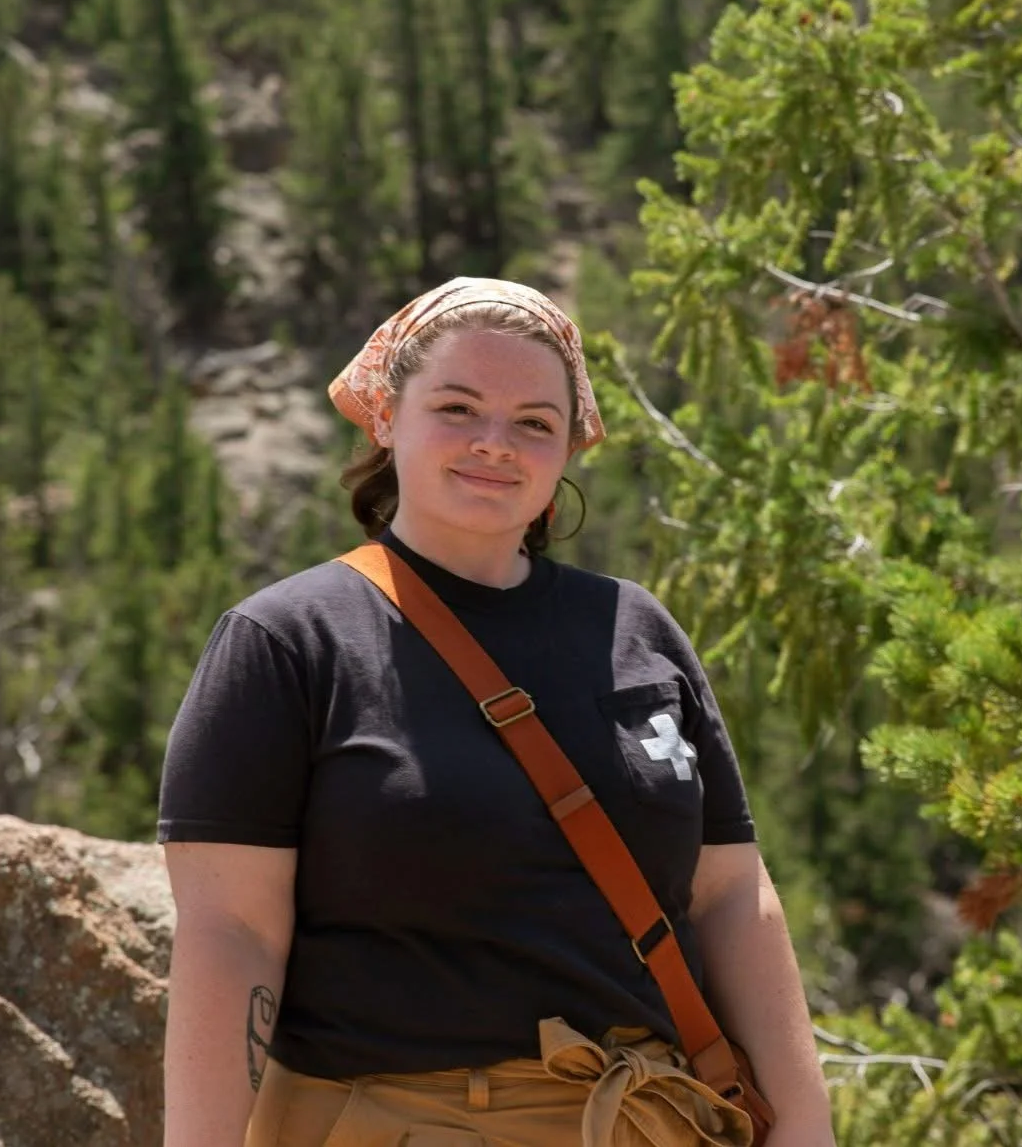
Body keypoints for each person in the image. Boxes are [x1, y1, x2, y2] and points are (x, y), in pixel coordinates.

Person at [157, 278, 834, 1147]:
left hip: (655, 1120)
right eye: (458, 406)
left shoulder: (635, 628)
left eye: (533, 422)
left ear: (566, 450)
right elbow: (233, 933)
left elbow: (732, 894)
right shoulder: (287, 642)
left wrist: (804, 1121)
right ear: (387, 418)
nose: (494, 443)